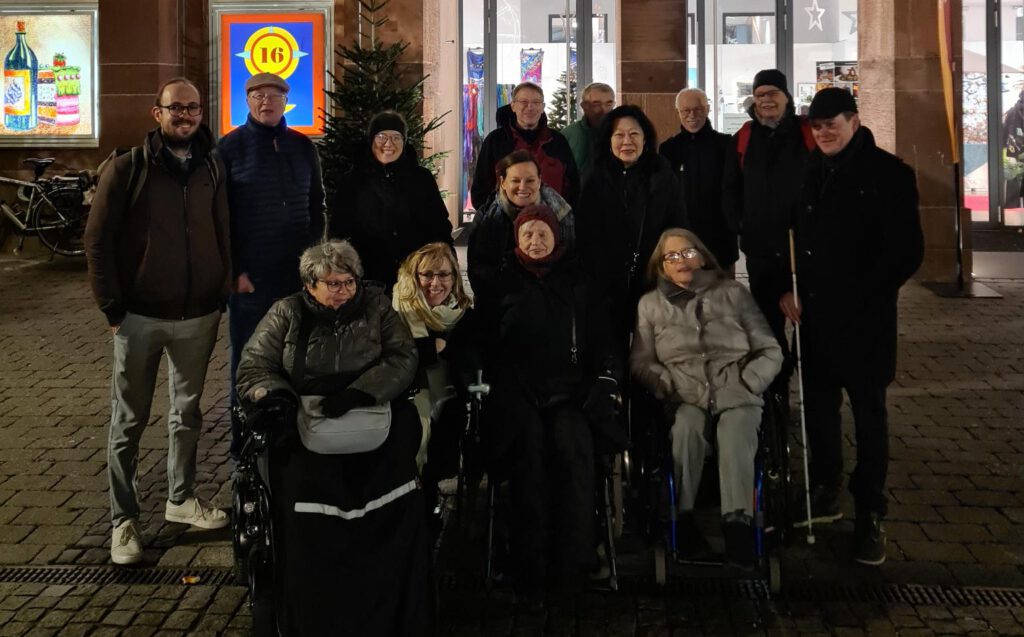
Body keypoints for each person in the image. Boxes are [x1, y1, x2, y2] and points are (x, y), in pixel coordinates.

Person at [236, 239, 430, 634]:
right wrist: (277, 398)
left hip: (368, 409)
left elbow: (403, 357)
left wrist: (364, 391)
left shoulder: (378, 308)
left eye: (348, 282)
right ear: (310, 285)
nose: (343, 290)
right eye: (332, 283)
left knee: (397, 488)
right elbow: (255, 365)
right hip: (306, 416)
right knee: (301, 491)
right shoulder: (285, 313)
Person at [84, 77, 231, 565]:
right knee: (129, 420)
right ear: (157, 113)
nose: (185, 115)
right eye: (176, 108)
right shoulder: (128, 168)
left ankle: (180, 499)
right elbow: (97, 240)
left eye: (193, 108)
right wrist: (112, 308)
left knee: (187, 414)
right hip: (140, 317)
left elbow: (221, 228)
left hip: (199, 315)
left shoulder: (212, 165)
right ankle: (123, 521)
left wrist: (222, 288)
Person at [779, 88, 923, 566]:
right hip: (817, 321)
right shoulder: (808, 171)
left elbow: (907, 251)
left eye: (831, 123)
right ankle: (825, 488)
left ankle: (870, 509)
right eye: (816, 125)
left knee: (869, 417)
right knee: (819, 410)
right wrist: (787, 287)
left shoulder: (890, 174)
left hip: (865, 322)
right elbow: (793, 237)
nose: (822, 132)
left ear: (854, 121)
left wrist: (865, 295)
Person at [484, 205, 622, 597]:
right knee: (526, 450)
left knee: (573, 446)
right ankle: (527, 559)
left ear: (557, 237)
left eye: (542, 233)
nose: (535, 240)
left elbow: (605, 342)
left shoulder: (580, 283)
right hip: (517, 393)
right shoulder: (501, 283)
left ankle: (576, 557)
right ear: (516, 240)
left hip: (571, 391)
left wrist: (606, 379)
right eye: (527, 234)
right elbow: (486, 346)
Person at [631, 228, 782, 568]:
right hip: (684, 395)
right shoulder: (650, 305)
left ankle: (738, 525)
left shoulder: (733, 293)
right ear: (661, 266)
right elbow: (641, 361)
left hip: (736, 390)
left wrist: (749, 380)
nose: (681, 261)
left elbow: (770, 349)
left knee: (736, 428)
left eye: (687, 253)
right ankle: (681, 519)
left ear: (702, 255)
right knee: (686, 427)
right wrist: (664, 383)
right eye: (672, 257)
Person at [218, 71, 326, 459]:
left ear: (286, 101)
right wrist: (235, 273)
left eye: (274, 95)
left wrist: (313, 260)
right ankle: (245, 445)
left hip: (297, 277)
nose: (267, 101)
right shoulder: (228, 149)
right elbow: (221, 217)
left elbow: (316, 206)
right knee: (248, 362)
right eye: (258, 96)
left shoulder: (302, 147)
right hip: (252, 281)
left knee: (298, 358)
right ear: (247, 102)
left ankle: (291, 439)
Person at [722, 68, 815, 405]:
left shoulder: (807, 133)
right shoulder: (745, 137)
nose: (766, 101)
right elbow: (730, 188)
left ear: (786, 97)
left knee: (810, 322)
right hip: (762, 251)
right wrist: (741, 225)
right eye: (760, 95)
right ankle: (778, 388)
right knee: (768, 327)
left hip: (805, 250)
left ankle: (816, 391)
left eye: (772, 94)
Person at [576, 104, 687, 354]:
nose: (627, 141)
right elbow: (585, 233)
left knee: (649, 354)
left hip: (652, 281)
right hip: (606, 284)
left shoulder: (662, 174)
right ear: (609, 140)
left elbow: (677, 228)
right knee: (610, 353)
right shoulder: (593, 177)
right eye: (619, 135)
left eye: (634, 134)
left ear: (645, 138)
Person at [392, 242, 475, 515]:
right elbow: (396, 356)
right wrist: (433, 348)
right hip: (404, 396)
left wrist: (445, 348)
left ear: (455, 278)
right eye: (427, 275)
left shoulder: (463, 314)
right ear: (414, 278)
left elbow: (471, 359)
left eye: (443, 275)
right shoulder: (397, 311)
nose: (435, 283)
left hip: (451, 397)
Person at [329, 110, 453, 289]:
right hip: (368, 274)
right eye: (381, 136)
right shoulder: (353, 181)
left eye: (396, 137)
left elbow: (439, 223)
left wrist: (447, 261)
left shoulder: (421, 178)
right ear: (371, 139)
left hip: (416, 274)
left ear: (404, 141)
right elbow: (339, 229)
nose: (389, 143)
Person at [467, 150, 574, 310]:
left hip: (552, 305)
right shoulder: (487, 217)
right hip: (499, 305)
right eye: (515, 180)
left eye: (530, 180)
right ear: (503, 182)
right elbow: (478, 268)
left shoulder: (561, 212)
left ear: (539, 180)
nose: (522, 187)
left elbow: (570, 261)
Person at [659, 88, 738, 274]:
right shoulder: (669, 149)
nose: (692, 115)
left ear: (708, 109)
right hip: (683, 241)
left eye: (698, 109)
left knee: (723, 299)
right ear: (678, 112)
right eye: (685, 110)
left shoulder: (726, 145)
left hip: (721, 241)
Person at [470, 81, 579, 210]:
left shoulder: (557, 141)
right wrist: (494, 218)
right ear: (513, 106)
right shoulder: (495, 141)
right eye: (524, 102)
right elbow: (480, 188)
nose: (530, 107)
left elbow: (573, 185)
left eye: (536, 102)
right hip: (505, 225)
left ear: (543, 107)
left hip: (550, 225)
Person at [560, 82, 615, 178]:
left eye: (609, 103)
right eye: (596, 104)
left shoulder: (620, 132)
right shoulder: (568, 135)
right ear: (584, 106)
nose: (604, 110)